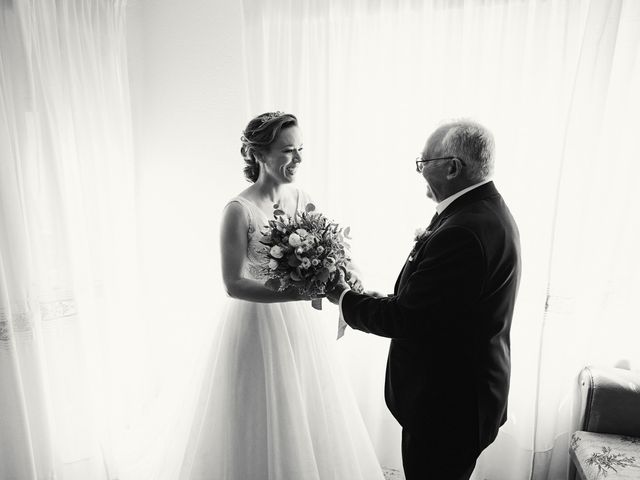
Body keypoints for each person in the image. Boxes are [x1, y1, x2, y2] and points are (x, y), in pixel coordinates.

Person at [179, 112, 385, 480]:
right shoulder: (238, 211)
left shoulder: (301, 197)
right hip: (255, 323)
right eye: (288, 150)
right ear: (258, 154)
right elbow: (233, 284)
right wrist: (297, 293)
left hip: (298, 325)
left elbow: (330, 249)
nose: (299, 160)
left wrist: (344, 270)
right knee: (259, 410)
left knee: (304, 405)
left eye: (300, 149)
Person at [327, 120, 521, 480]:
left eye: (423, 162)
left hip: (448, 407)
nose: (420, 171)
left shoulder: (463, 229)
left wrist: (341, 296)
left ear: (452, 167)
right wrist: (385, 299)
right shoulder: (481, 211)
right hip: (462, 397)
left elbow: (407, 319)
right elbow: (440, 307)